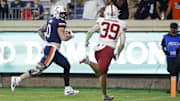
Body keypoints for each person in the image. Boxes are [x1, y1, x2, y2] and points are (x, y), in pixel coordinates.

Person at [11, 5, 79, 96]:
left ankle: (67, 88)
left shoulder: (50, 20)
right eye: (61, 14)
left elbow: (40, 30)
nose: (63, 15)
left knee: (66, 65)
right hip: (52, 50)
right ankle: (18, 79)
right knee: (38, 70)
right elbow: (63, 38)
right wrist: (71, 36)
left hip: (52, 49)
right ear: (57, 13)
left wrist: (46, 41)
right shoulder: (60, 22)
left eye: (64, 14)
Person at [80, 4, 127, 101]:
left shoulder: (101, 20)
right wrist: (117, 53)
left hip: (98, 49)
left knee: (103, 74)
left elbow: (90, 31)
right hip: (108, 49)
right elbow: (122, 43)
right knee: (100, 72)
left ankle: (105, 96)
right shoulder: (122, 24)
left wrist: (86, 41)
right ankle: (87, 61)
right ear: (117, 12)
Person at [161, 22, 180, 93]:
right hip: (169, 56)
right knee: (170, 70)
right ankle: (173, 87)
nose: (173, 29)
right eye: (172, 28)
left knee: (175, 71)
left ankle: (173, 88)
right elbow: (162, 46)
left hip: (178, 56)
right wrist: (165, 52)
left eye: (174, 28)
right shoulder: (166, 37)